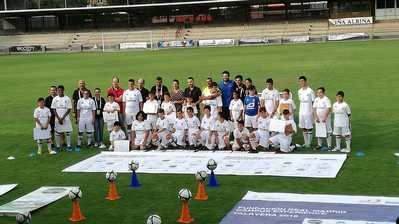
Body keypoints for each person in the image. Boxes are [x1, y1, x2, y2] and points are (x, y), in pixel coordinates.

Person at [51, 85, 73, 152]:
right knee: (57, 132)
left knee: (68, 132)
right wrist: (58, 118)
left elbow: (69, 109)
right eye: (58, 90)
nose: (59, 91)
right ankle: (58, 146)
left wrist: (63, 118)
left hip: (65, 118)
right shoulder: (55, 99)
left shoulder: (67, 98)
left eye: (61, 90)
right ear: (57, 91)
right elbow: (54, 109)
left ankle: (69, 146)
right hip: (57, 119)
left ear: (63, 90)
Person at [298, 76, 315, 148]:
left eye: (302, 81)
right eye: (300, 81)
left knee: (309, 127)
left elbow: (313, 101)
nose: (301, 82)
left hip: (309, 110)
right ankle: (305, 142)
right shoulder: (299, 91)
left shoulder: (310, 90)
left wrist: (313, 112)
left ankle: (309, 143)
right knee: (303, 127)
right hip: (301, 111)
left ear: (305, 81)